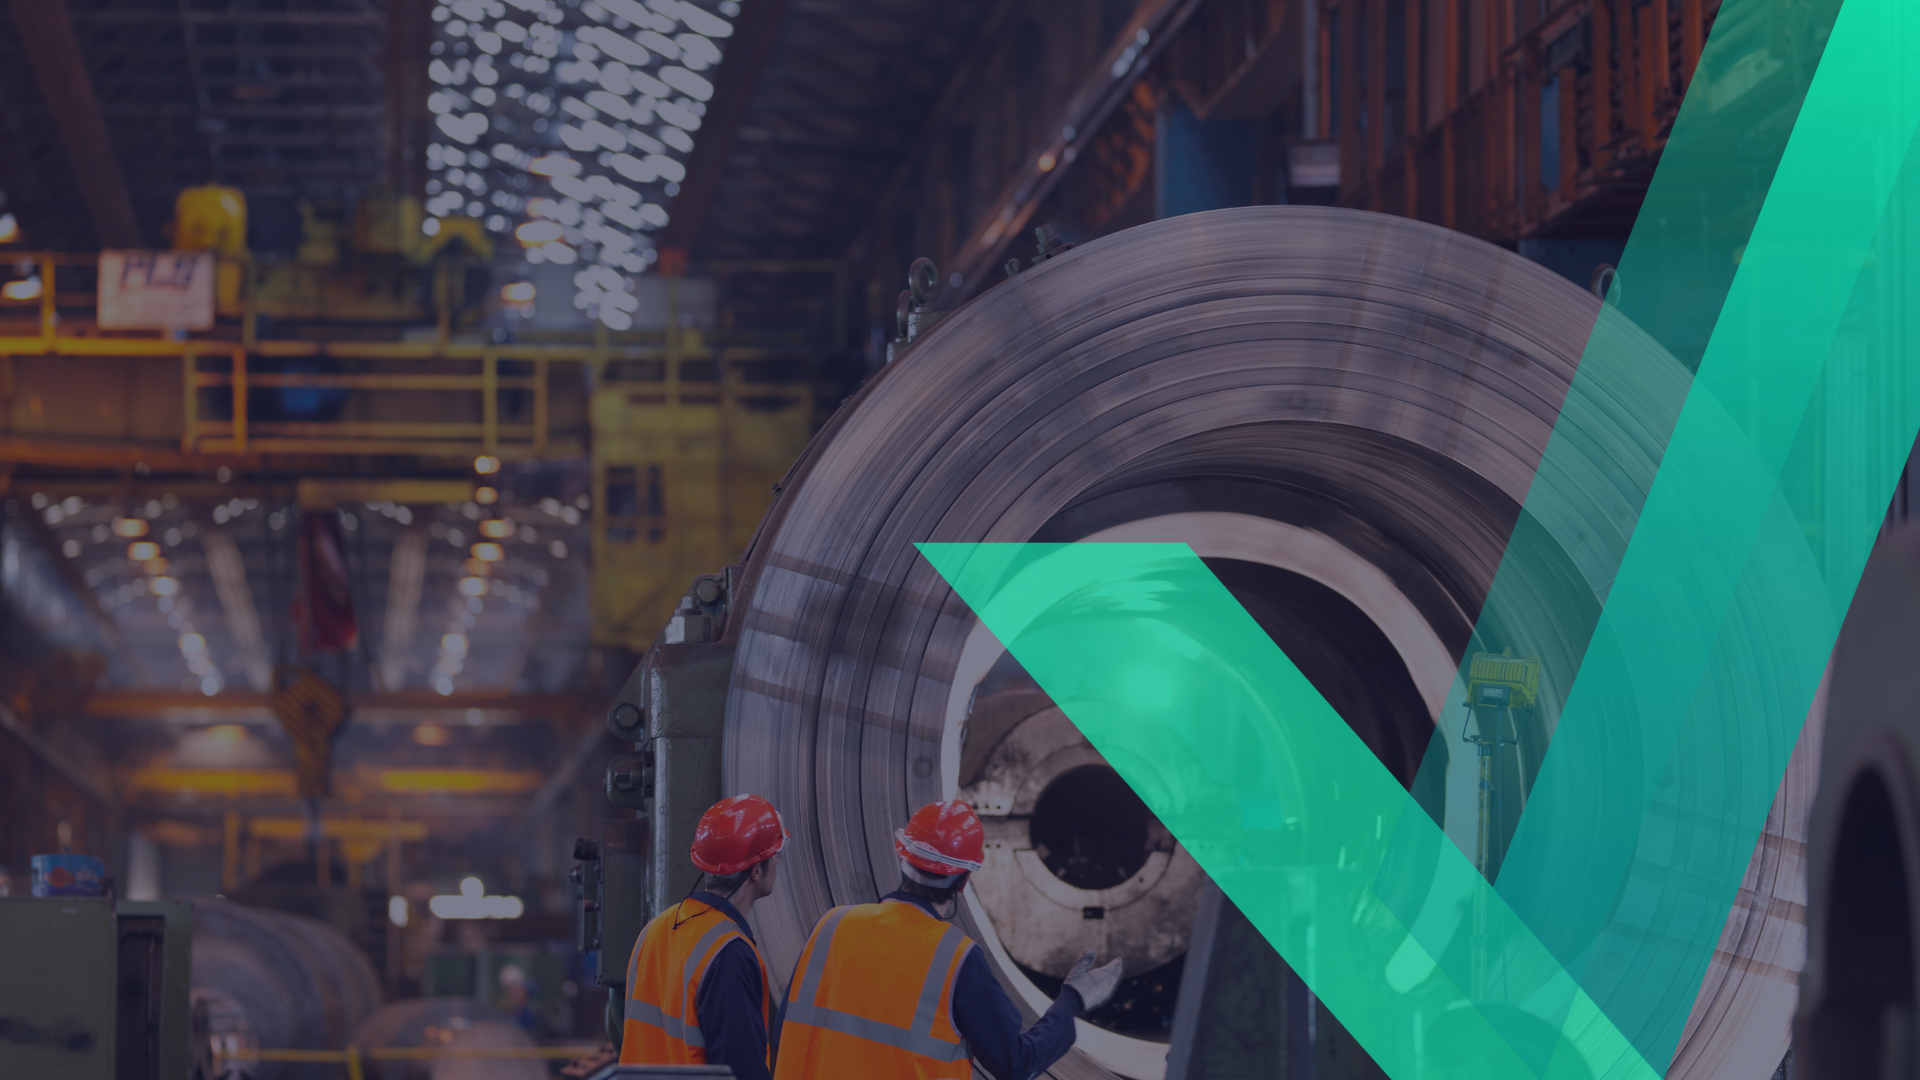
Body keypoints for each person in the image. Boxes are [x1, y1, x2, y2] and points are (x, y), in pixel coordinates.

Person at [773, 800, 1124, 1080]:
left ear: (902, 857)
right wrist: (1072, 1001)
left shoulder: (831, 925)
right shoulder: (955, 959)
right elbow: (1016, 1064)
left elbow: (784, 1029)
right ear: (963, 882)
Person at [621, 793, 787, 1080]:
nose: (779, 864)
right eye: (776, 856)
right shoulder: (728, 953)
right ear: (757, 871)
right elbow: (741, 1069)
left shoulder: (657, 928)